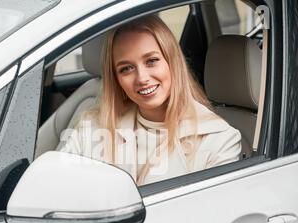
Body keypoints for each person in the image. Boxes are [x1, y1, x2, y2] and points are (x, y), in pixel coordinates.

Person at [59, 15, 241, 186]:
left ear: (173, 62)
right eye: (126, 68)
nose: (142, 78)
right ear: (116, 79)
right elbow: (54, 188)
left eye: (151, 61)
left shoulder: (219, 139)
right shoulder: (90, 126)